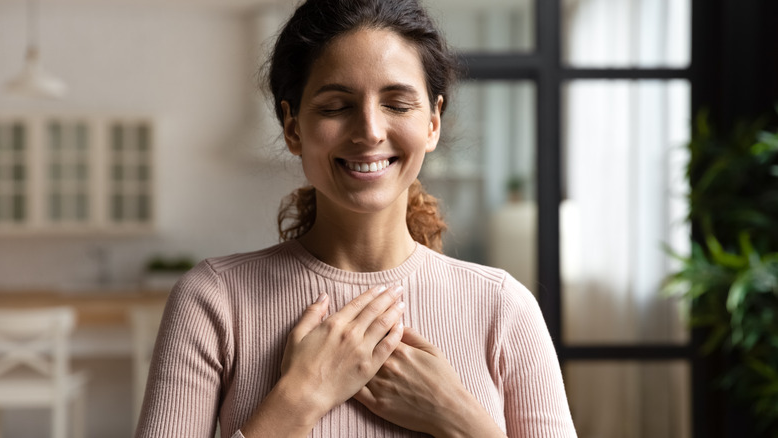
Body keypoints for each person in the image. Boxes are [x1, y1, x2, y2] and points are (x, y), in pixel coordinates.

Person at [135, 0, 577, 437]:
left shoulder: (503, 308)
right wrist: (300, 398)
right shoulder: (214, 301)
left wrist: (460, 418)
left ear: (433, 123)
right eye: (334, 106)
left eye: (398, 104)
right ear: (292, 127)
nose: (369, 130)